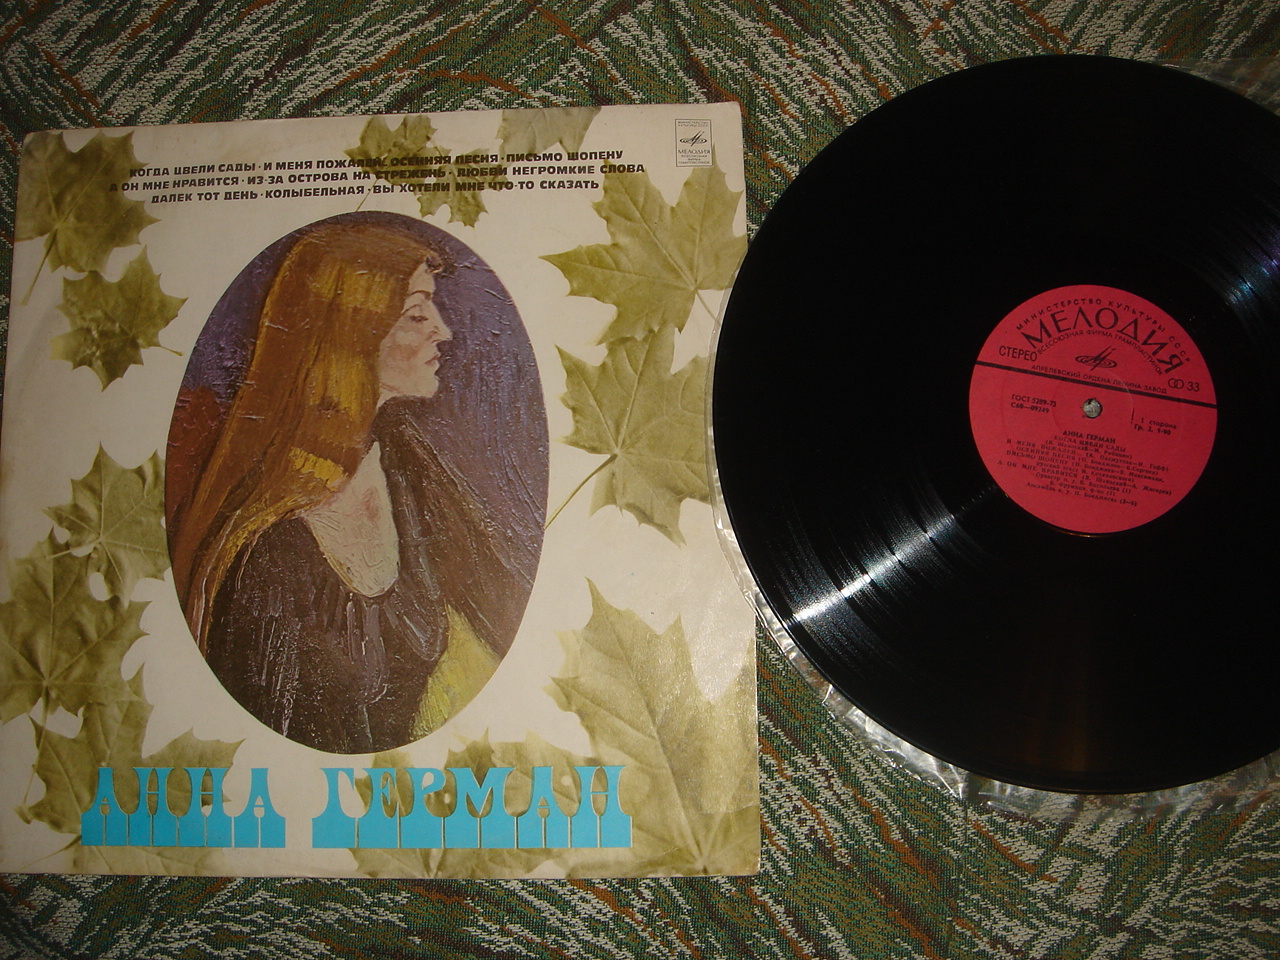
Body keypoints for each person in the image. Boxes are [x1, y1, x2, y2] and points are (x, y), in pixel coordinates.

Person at [169, 218, 530, 754]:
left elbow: (499, 597)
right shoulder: (266, 554)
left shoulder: (406, 464)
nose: (443, 331)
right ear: (349, 337)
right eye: (416, 314)